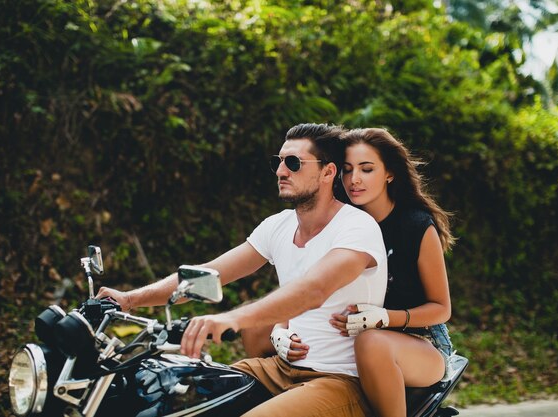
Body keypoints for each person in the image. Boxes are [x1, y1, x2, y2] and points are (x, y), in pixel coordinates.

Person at [97, 123, 388, 417]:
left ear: (328, 172)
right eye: (278, 162)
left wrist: (231, 319)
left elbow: (314, 290)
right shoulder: (279, 225)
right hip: (279, 369)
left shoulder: (356, 226)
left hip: (338, 378)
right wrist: (129, 299)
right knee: (185, 398)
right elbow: (210, 274)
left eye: (294, 163)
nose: (280, 171)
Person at [267, 127, 456, 417]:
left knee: (373, 343)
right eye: (347, 170)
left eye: (366, 169)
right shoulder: (338, 222)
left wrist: (383, 318)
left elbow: (441, 309)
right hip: (349, 337)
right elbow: (305, 286)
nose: (354, 179)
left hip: (417, 341)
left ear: (389, 173)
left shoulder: (416, 226)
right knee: (258, 327)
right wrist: (280, 328)